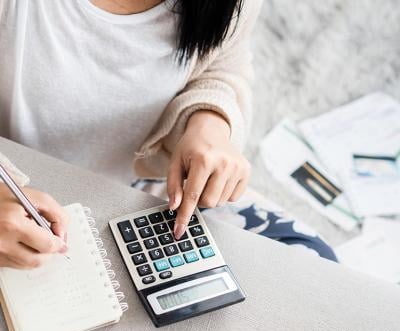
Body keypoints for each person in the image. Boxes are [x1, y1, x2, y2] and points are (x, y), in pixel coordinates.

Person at [0, 0, 336, 269]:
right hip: (19, 195)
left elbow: (223, 65)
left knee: (315, 265)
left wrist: (210, 123)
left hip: (146, 188)